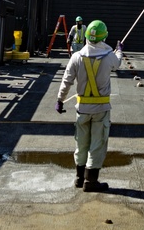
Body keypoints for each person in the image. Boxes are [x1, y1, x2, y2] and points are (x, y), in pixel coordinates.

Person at [56, 19, 124, 191]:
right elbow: (117, 63)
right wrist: (120, 50)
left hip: (82, 110)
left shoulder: (76, 57)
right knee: (96, 145)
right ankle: (91, 182)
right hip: (101, 110)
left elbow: (66, 81)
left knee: (81, 144)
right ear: (104, 37)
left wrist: (60, 100)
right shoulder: (109, 56)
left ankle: (79, 178)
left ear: (86, 36)